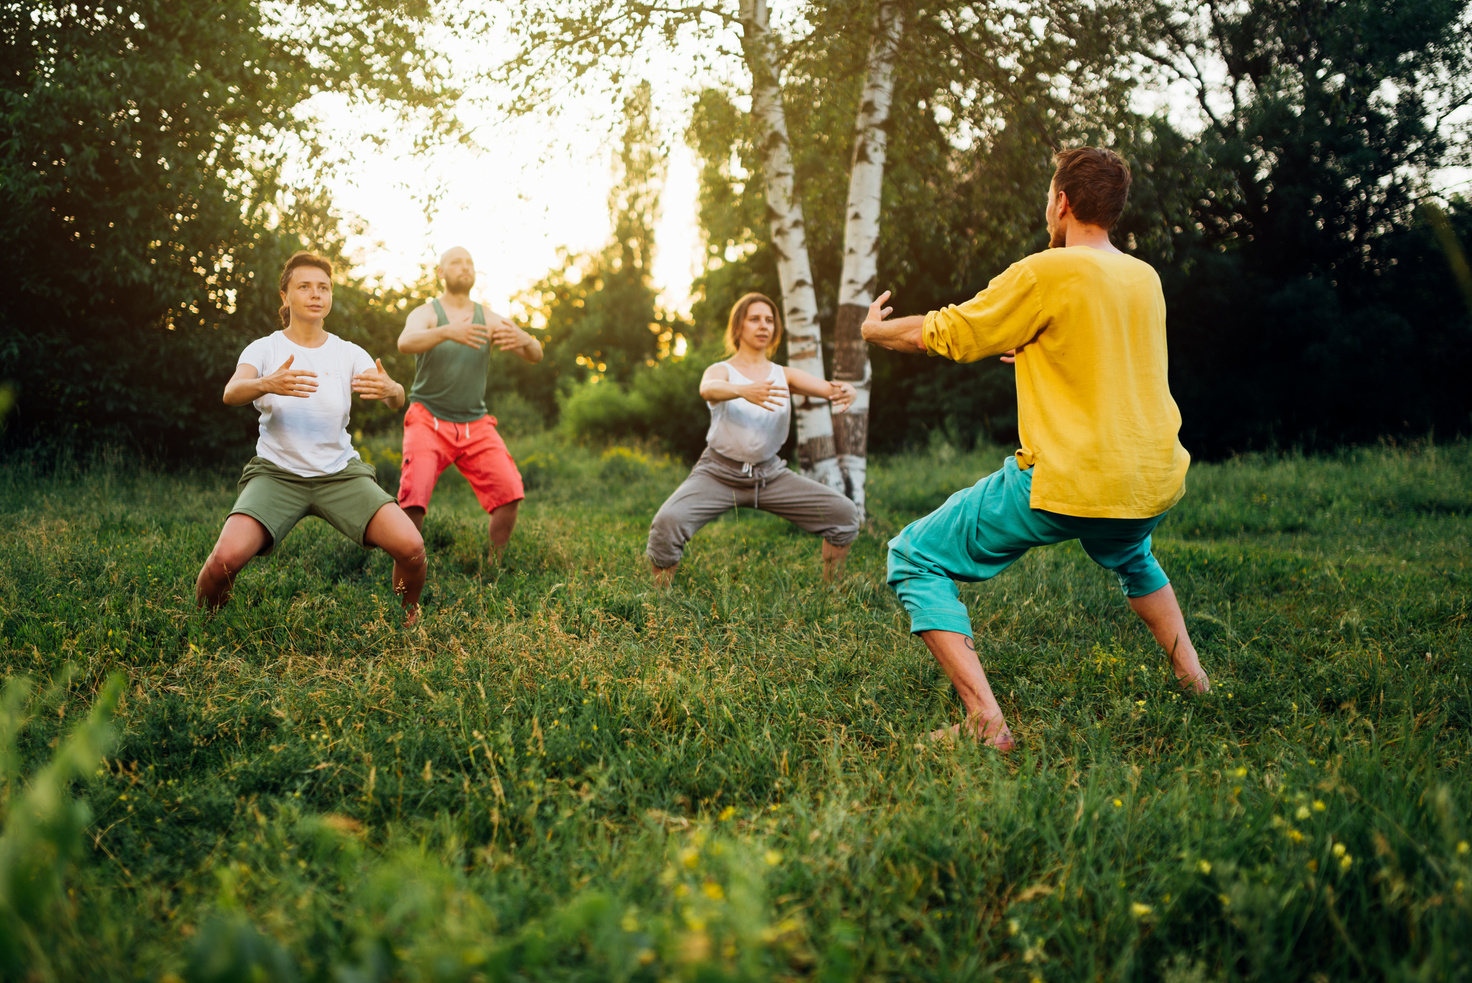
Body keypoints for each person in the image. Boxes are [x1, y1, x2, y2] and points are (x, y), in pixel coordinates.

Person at [862, 147, 1210, 750]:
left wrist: (873, 330)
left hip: (1071, 479)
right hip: (1149, 478)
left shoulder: (1045, 271)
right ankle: (1196, 681)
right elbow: (1110, 360)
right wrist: (1036, 347)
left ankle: (985, 723)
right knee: (1133, 554)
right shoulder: (1144, 278)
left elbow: (944, 332)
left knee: (913, 557)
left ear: (1063, 202)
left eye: (1050, 195)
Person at [196, 251, 427, 620]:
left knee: (412, 548)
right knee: (221, 563)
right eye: (304, 286)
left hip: (340, 474)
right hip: (277, 474)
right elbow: (231, 392)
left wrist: (393, 388)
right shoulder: (265, 348)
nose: (316, 294)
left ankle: (408, 621)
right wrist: (266, 383)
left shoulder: (348, 352)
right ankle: (204, 626)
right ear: (285, 296)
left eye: (324, 287)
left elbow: (394, 399)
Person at [647, 292, 863, 585]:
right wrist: (742, 390)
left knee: (844, 513)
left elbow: (830, 389)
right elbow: (707, 389)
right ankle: (659, 600)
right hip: (718, 474)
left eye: (769, 320)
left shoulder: (784, 375)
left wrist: (847, 390)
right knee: (667, 522)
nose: (764, 326)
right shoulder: (722, 370)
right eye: (755, 319)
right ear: (738, 326)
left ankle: (832, 591)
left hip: (769, 476)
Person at [396, 246, 543, 561]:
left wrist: (527, 340)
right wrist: (449, 331)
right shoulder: (427, 313)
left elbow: (535, 354)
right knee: (413, 501)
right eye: (456, 262)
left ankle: (494, 564)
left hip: (475, 423)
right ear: (441, 272)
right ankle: (409, 564)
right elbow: (405, 342)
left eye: (470, 263)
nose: (465, 267)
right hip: (427, 419)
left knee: (510, 493)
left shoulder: (487, 317)